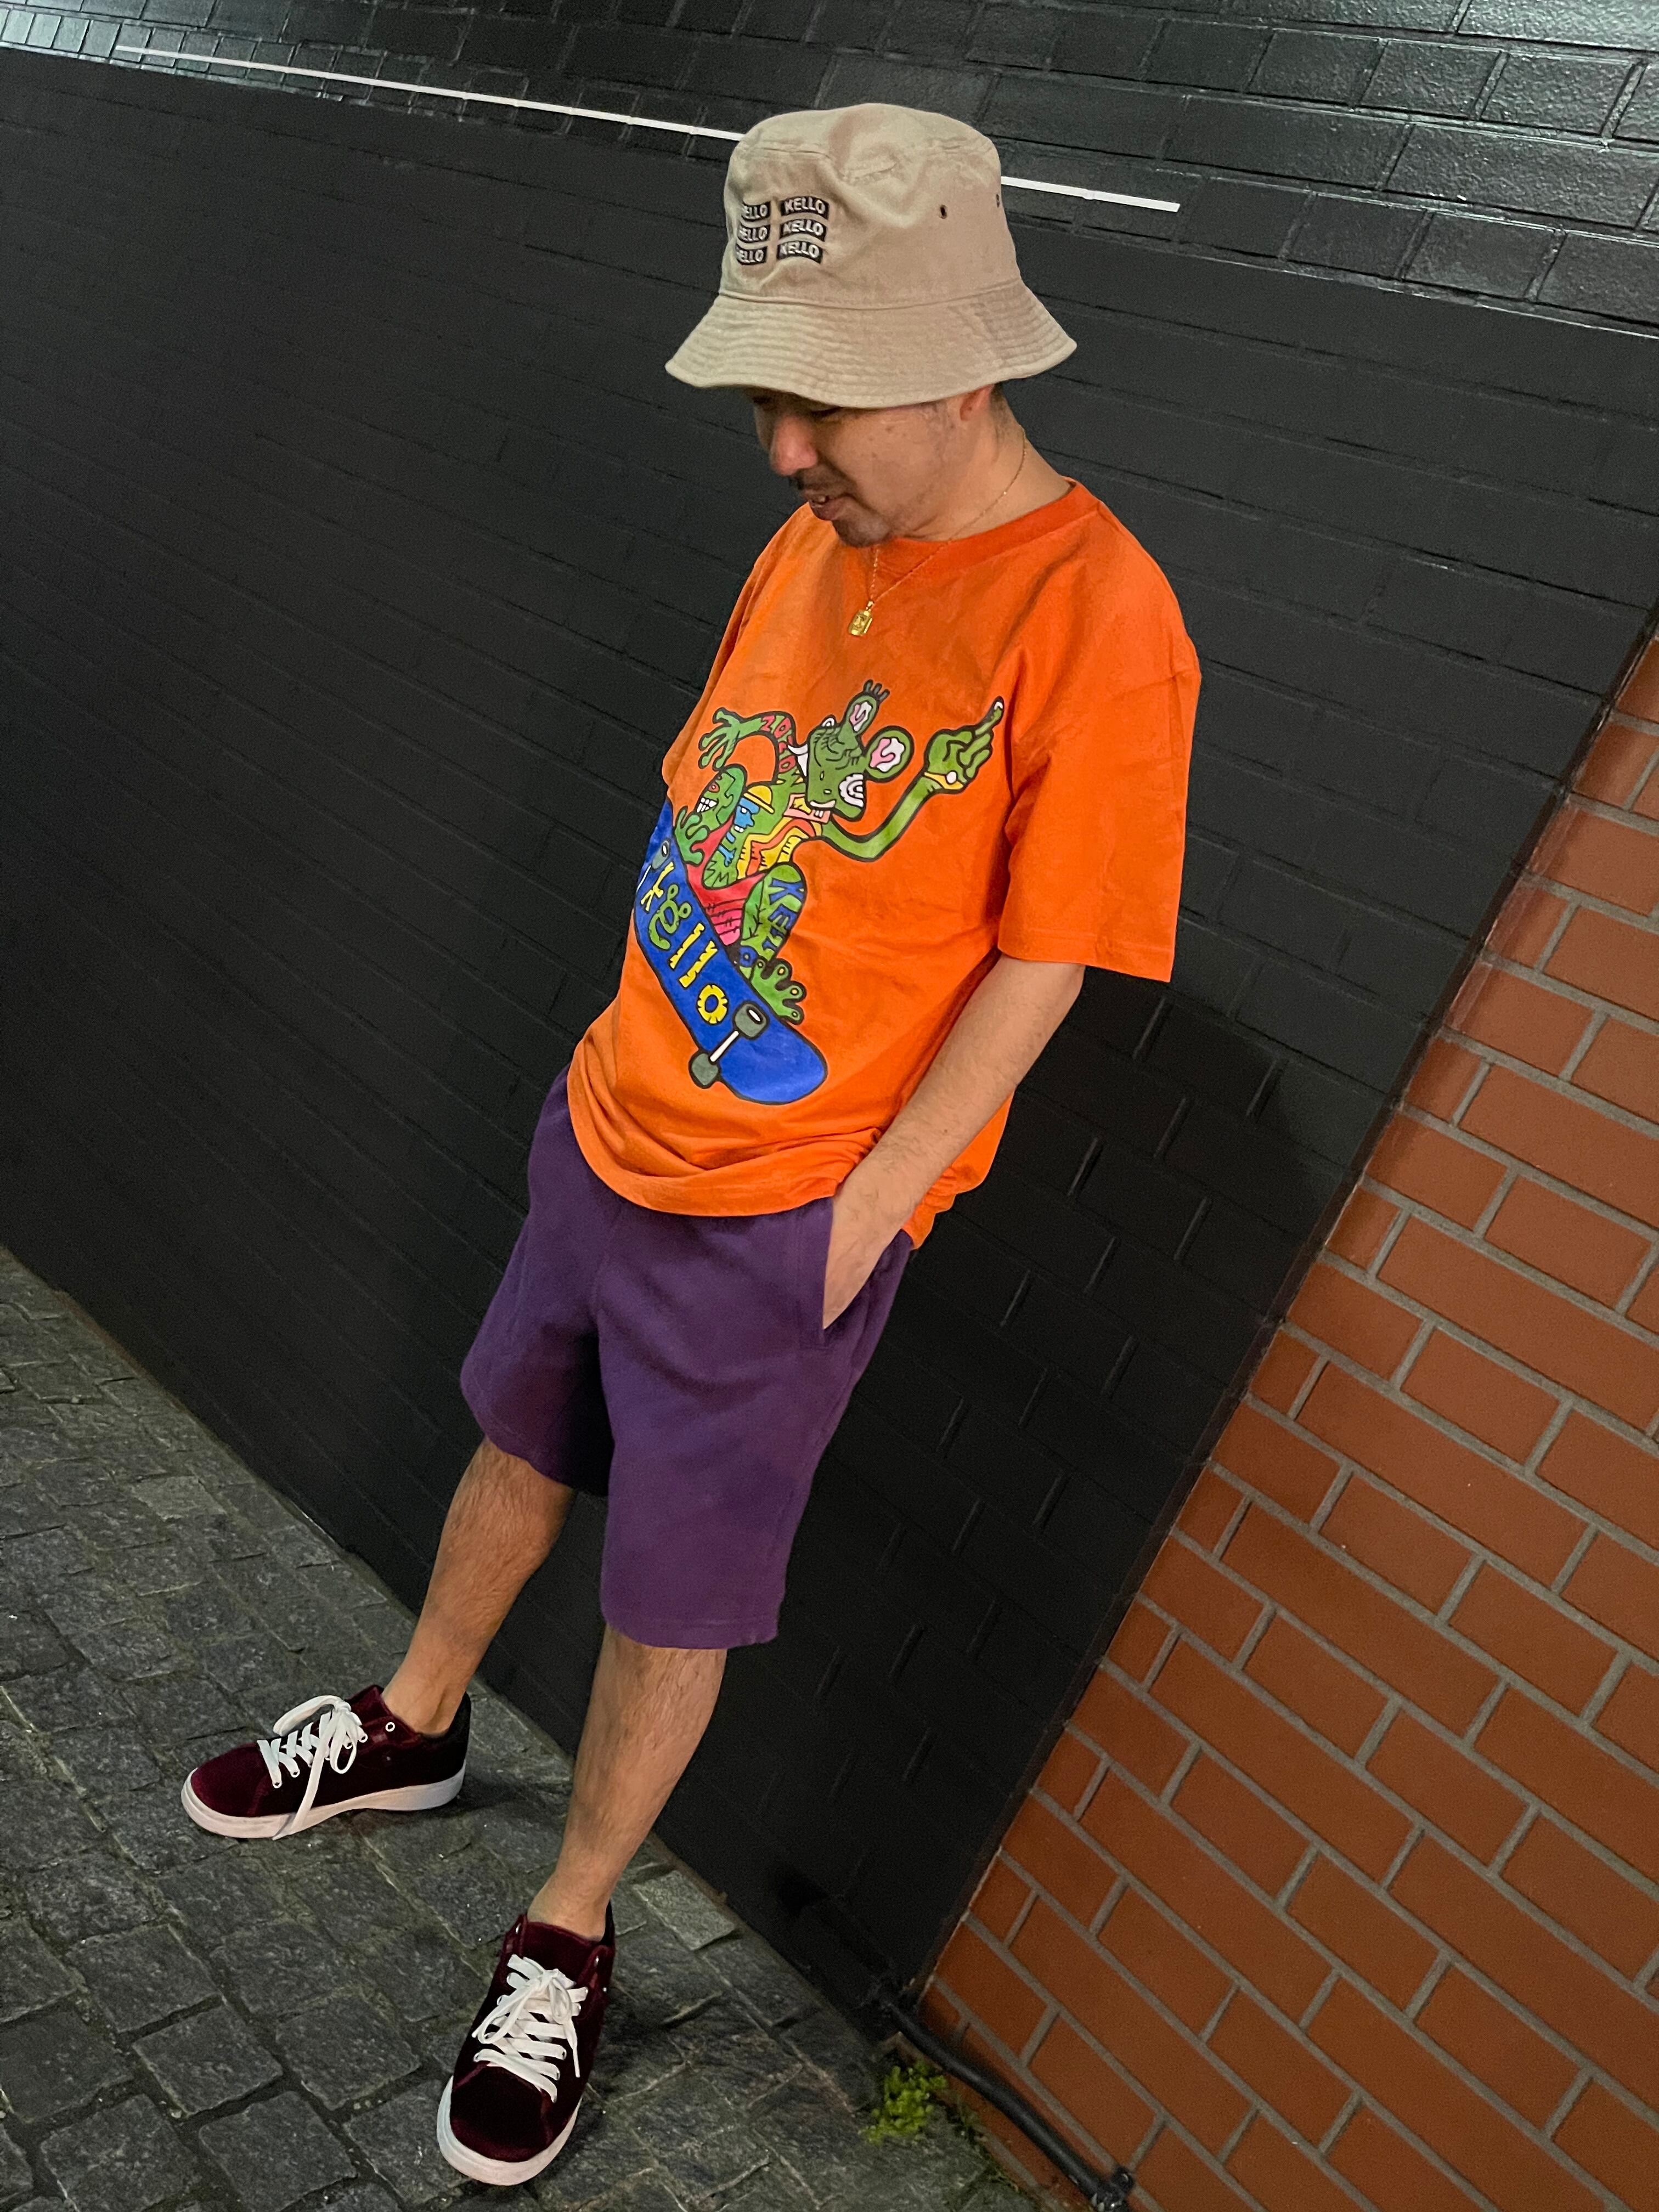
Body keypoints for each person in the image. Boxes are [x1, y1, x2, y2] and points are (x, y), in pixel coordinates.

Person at [178, 101, 1198, 2188]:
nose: (782, 451)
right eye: (765, 401)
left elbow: (1048, 964)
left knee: (675, 1597)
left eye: (822, 403)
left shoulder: (1100, 614)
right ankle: (415, 1721)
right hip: (613, 1122)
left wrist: (865, 1213)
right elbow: (722, 797)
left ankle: (566, 1930)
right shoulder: (815, 536)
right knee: (516, 1441)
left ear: (962, 365)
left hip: (779, 1223)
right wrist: (611, 1065)